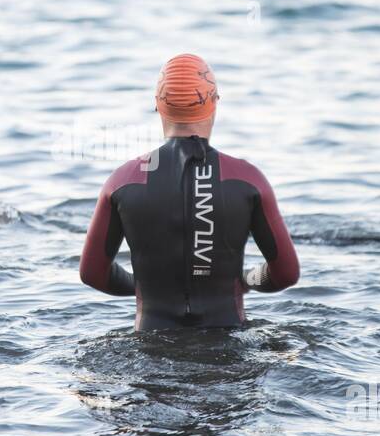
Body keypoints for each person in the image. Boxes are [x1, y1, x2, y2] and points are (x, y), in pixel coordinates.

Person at [79, 54, 299, 329]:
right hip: (228, 346)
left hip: (152, 346)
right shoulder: (247, 180)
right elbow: (286, 274)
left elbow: (92, 274)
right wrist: (244, 280)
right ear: (214, 103)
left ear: (158, 106)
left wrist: (143, 286)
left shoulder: (123, 181)